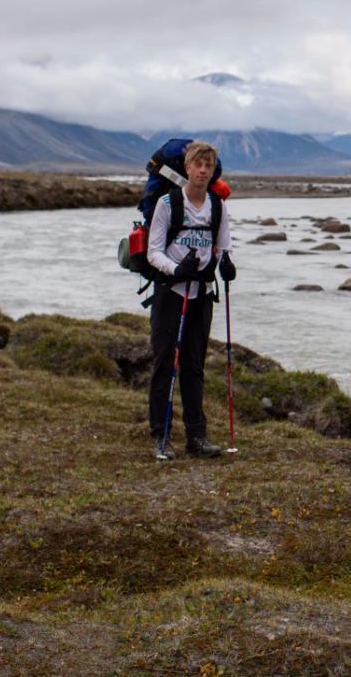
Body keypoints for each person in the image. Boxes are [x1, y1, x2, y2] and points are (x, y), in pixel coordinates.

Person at [146, 141, 236, 460]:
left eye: (208, 166)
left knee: (193, 367)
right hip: (171, 292)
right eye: (197, 164)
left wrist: (226, 265)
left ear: (213, 171)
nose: (202, 170)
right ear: (187, 167)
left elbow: (224, 246)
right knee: (164, 365)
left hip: (201, 294)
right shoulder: (168, 205)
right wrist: (175, 268)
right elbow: (153, 251)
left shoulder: (217, 206)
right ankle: (161, 436)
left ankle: (196, 438)